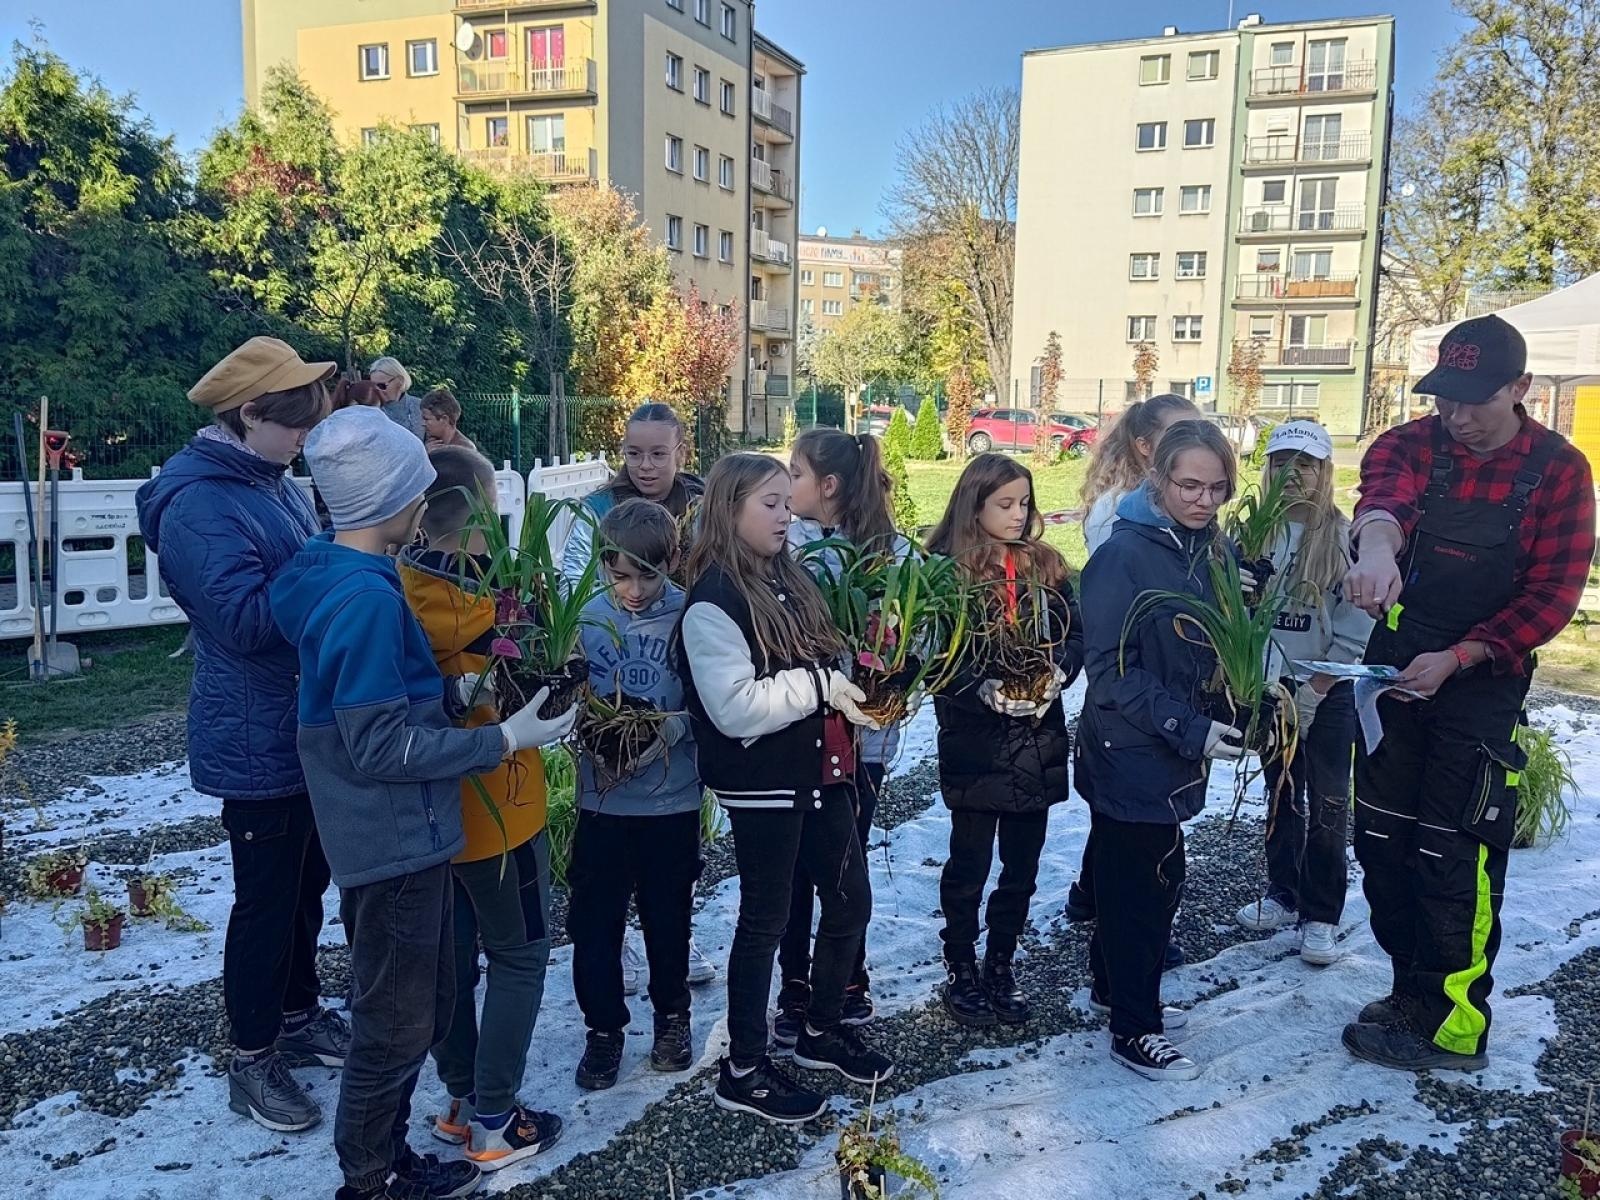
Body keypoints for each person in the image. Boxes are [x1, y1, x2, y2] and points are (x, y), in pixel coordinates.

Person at [269, 406, 579, 1200]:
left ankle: (394, 1152)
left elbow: (386, 701)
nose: (424, 503)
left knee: (428, 1000)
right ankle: (368, 1178)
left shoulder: (337, 574)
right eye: (414, 489)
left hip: (410, 836)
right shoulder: (370, 600)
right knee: (395, 1023)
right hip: (395, 839)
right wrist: (502, 738)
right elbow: (378, 746)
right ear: (392, 501)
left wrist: (458, 688)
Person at [1340, 315, 1595, 1072]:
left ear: (1520, 390)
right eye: (1445, 397)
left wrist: (1460, 655)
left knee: (1455, 850)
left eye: (1472, 400)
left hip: (1481, 684)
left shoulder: (1559, 470)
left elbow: (1553, 595)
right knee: (1383, 836)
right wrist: (1377, 549)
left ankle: (1454, 1022)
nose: (1454, 416)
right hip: (1395, 674)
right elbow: (1383, 499)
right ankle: (1410, 988)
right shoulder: (1414, 444)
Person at [135, 337, 347, 1135]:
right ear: (249, 413)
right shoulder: (200, 503)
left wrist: (327, 559)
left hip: (301, 721)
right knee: (264, 901)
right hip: (257, 732)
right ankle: (253, 1054)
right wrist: (334, 565)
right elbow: (248, 620)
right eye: (293, 424)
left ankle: (297, 1015)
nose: (305, 440)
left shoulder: (265, 479)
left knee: (306, 885)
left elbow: (293, 576)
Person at [673, 453, 892, 1124]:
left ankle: (819, 1028)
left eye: (784, 500)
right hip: (765, 783)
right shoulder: (712, 601)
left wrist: (864, 674)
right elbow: (734, 707)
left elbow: (819, 654)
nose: (785, 512)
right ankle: (743, 1067)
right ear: (728, 508)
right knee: (764, 921)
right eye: (768, 503)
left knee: (851, 901)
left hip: (823, 770)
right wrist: (824, 687)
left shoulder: (787, 577)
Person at [397, 447, 564, 1172]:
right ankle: (498, 1115)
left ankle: (461, 1098)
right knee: (521, 956)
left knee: (453, 961)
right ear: (483, 514)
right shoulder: (506, 600)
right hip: (505, 807)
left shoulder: (394, 591)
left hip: (432, 814)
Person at [1076, 420, 1245, 1081]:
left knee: (1143, 876)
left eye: (1217, 487)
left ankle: (1114, 988)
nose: (1204, 500)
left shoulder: (1210, 548)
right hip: (1129, 745)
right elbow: (1112, 673)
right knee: (1142, 888)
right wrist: (1191, 728)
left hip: (1173, 744)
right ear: (1157, 478)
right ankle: (1134, 1030)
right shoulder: (1123, 556)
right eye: (1189, 485)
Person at [925, 453, 1083, 1028]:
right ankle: (961, 964)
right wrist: (981, 690)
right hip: (977, 744)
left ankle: (1001, 961)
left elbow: (1075, 636)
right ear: (975, 505)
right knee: (968, 863)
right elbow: (933, 655)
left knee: (1023, 865)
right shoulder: (945, 572)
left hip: (1037, 740)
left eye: (1025, 503)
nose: (1019, 516)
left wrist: (1057, 674)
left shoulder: (1049, 567)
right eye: (1005, 504)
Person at [561, 402, 714, 991]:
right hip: (604, 765)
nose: (645, 465)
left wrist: (671, 728)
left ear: (681, 452)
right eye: (633, 453)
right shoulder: (598, 510)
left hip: (670, 772)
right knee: (600, 899)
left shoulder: (700, 511)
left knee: (669, 890)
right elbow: (576, 594)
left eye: (658, 453)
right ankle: (611, 985)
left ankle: (670, 982)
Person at [775, 427, 911, 1048]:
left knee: (845, 863)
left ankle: (844, 977)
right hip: (796, 738)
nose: (786, 486)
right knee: (798, 870)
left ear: (827, 486)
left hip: (864, 745)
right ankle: (795, 986)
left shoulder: (893, 555)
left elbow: (920, 636)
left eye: (795, 474)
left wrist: (893, 677)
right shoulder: (782, 549)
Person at [568, 500, 705, 1091]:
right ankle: (603, 1028)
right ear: (603, 565)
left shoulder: (688, 616)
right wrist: (585, 728)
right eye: (620, 574)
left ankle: (672, 1015)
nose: (634, 589)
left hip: (669, 800)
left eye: (648, 575)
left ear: (671, 563)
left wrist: (668, 728)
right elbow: (562, 688)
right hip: (601, 798)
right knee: (594, 923)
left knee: (667, 917)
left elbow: (709, 700)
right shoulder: (585, 615)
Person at [1234, 421, 1372, 967]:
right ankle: (1284, 892)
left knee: (1329, 803)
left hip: (1327, 689)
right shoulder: (1251, 536)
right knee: (1281, 793)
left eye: (1306, 464)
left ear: (1324, 471)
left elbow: (1354, 626)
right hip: (1271, 688)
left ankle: (1322, 915)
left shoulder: (1342, 539)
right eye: (1282, 463)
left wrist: (1318, 686)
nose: (1293, 475)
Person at [1067, 392, 1199, 952]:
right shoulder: (1123, 516)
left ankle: (1094, 896)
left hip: (1161, 698)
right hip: (1135, 698)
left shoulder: (1184, 516)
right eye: (1179, 437)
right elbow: (1120, 626)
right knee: (1128, 818)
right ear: (1147, 448)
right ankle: (1119, 936)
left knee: (1128, 820)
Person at [1079, 393, 1201, 556]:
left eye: (1199, 433)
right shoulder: (1114, 508)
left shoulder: (1190, 496)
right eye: (1178, 436)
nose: (1196, 446)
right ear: (1144, 445)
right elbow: (1115, 572)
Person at [368, 355, 426, 440]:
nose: (377, 391)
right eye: (373, 386)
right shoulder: (371, 412)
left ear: (400, 381)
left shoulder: (420, 407)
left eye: (381, 385)